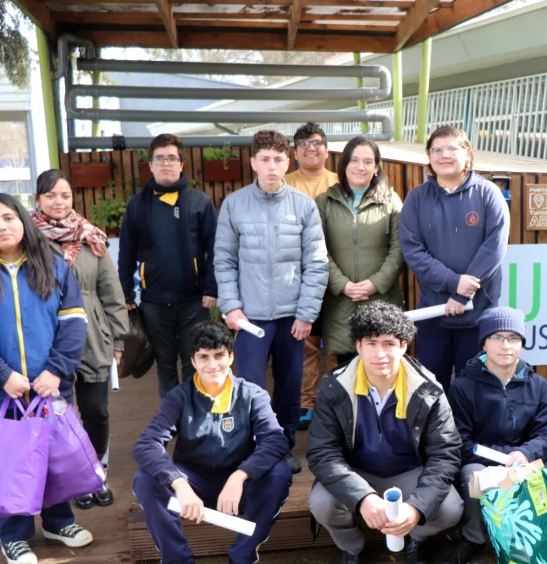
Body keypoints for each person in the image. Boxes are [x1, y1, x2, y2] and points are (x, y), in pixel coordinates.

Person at [0, 193, 91, 564]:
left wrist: (56, 370)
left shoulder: (52, 265)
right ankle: (13, 536)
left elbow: (74, 321)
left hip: (49, 384)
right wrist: (1, 376)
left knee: (54, 454)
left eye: (8, 218)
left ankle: (60, 523)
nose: (2, 227)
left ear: (23, 221)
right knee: (11, 461)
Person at [132, 321, 293, 564]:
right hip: (193, 486)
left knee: (280, 473)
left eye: (219, 355)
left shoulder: (252, 394)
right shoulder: (179, 397)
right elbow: (146, 445)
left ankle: (242, 562)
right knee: (145, 479)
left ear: (231, 356)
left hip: (238, 485)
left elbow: (276, 440)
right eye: (203, 357)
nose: (212, 364)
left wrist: (241, 474)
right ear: (192, 361)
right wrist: (179, 483)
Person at [306, 301, 463, 564]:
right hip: (357, 471)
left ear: (403, 345)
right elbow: (322, 453)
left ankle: (416, 537)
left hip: (409, 471)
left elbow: (446, 453)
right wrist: (362, 498)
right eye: (371, 343)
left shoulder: (428, 389)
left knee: (451, 508)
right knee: (322, 503)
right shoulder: (334, 387)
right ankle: (351, 547)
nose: (380, 354)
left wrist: (415, 509)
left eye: (389, 343)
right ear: (358, 345)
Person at [215, 129, 328, 475]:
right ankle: (256, 448)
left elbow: (317, 262)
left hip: (292, 318)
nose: (271, 166)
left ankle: (283, 446)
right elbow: (224, 260)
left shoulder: (304, 206)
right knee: (249, 387)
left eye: (278, 159)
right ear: (252, 162)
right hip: (249, 319)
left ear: (288, 161)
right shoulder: (234, 204)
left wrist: (307, 313)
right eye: (264, 159)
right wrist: (231, 307)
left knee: (290, 388)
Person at [441, 307, 547, 564]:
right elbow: (461, 442)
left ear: (522, 344)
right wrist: (503, 459)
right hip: (483, 459)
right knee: (472, 474)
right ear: (484, 343)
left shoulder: (538, 385)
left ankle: (537, 530)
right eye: (497, 337)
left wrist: (525, 454)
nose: (505, 345)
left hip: (523, 458)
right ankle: (474, 537)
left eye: (513, 338)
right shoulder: (462, 387)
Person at [34, 169, 130, 509]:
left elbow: (111, 292)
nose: (58, 202)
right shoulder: (28, 240)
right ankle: (70, 480)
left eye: (64, 195)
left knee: (95, 410)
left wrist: (118, 340)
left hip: (93, 334)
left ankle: (95, 473)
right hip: (45, 337)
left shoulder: (92, 237)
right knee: (58, 412)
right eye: (50, 196)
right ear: (38, 200)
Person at [400, 125, 509, 391]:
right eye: (437, 149)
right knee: (431, 387)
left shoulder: (488, 194)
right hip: (434, 313)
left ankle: (471, 435)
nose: (444, 155)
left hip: (479, 316)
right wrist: (453, 283)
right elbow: (413, 251)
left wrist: (462, 296)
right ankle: (436, 435)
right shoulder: (416, 199)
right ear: (429, 156)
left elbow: (493, 248)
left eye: (452, 148)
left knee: (476, 388)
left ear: (468, 153)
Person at [117, 133, 218, 398]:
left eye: (172, 158)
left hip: (194, 301)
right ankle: (170, 420)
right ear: (150, 164)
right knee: (164, 366)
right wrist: (126, 292)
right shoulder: (137, 205)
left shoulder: (200, 202)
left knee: (194, 363)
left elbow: (215, 248)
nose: (166, 163)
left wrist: (212, 287)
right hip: (154, 303)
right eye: (159, 158)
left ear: (181, 164)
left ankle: (193, 420)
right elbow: (126, 252)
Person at [317, 136, 404, 367]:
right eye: (354, 160)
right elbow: (317, 250)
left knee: (383, 366)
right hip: (340, 304)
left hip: (382, 300)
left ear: (376, 167)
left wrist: (375, 283)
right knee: (348, 373)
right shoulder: (324, 202)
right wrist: (342, 284)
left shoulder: (391, 201)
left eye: (368, 161)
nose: (360, 166)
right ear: (344, 164)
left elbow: (399, 249)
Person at [285, 122, 341, 431]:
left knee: (336, 341)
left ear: (327, 150)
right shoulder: (285, 183)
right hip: (300, 276)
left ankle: (334, 399)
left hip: (338, 273)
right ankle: (306, 402)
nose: (311, 147)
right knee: (305, 343)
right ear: (295, 152)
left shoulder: (339, 182)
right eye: (304, 143)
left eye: (317, 142)